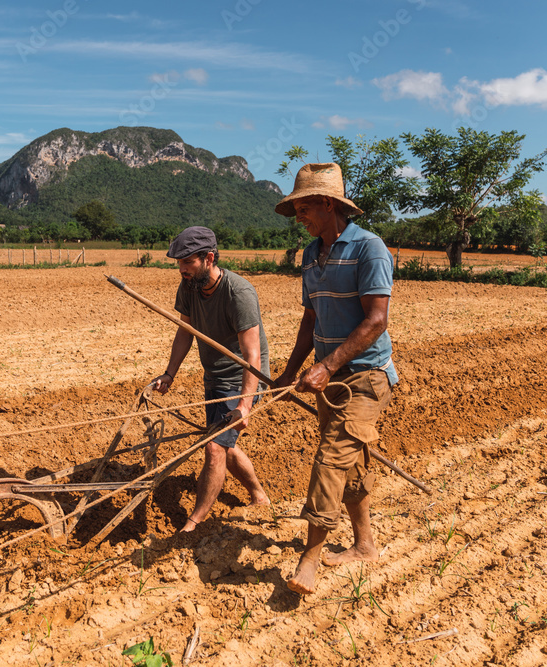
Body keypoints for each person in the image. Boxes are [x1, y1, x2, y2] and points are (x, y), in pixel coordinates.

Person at [272, 163, 398, 595]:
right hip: (329, 378)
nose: (299, 218)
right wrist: (290, 372)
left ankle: (309, 557)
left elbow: (376, 321)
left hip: (367, 376)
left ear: (328, 203)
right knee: (351, 464)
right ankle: (365, 545)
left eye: (303, 209)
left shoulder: (369, 248)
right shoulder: (311, 255)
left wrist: (326, 367)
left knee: (330, 458)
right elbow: (311, 319)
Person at [153, 226, 271, 533]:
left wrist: (245, 405)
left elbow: (252, 355)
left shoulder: (238, 293)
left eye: (187, 262)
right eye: (179, 263)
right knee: (223, 445)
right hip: (215, 378)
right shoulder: (189, 287)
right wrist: (169, 374)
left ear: (209, 258)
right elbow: (185, 332)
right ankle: (259, 495)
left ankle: (194, 523)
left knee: (215, 448)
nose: (182, 269)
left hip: (243, 379)